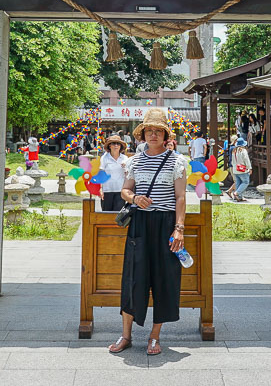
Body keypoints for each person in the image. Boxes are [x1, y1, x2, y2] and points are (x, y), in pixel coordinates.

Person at [110, 108, 186, 356]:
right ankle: (126, 335)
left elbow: (181, 197)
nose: (153, 135)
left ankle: (155, 336)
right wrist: (135, 198)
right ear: (142, 135)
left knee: (164, 279)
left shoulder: (177, 161)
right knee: (133, 278)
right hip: (140, 223)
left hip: (166, 224)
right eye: (149, 131)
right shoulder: (134, 161)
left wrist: (179, 228)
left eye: (158, 131)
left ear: (166, 135)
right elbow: (125, 191)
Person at [99, 135, 129, 213]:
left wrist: (126, 168)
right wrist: (100, 189)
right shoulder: (104, 158)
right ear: (109, 146)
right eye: (113, 143)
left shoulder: (125, 158)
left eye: (118, 144)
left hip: (120, 190)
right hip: (107, 190)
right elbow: (101, 173)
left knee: (118, 216)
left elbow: (128, 175)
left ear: (120, 146)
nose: (116, 145)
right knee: (106, 215)